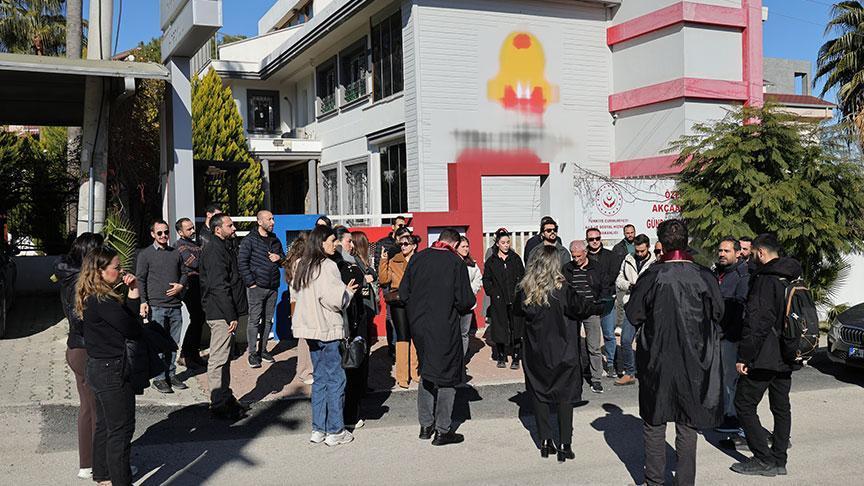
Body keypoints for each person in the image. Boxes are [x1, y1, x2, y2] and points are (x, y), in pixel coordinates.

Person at [625, 219, 724, 486]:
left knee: (655, 421)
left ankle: (654, 481)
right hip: (693, 357)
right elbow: (719, 312)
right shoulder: (703, 275)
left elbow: (633, 314)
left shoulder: (653, 275)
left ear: (661, 243)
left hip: (658, 358)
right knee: (686, 422)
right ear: (686, 241)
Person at [516, 246, 593, 462]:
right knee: (565, 396)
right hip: (564, 350)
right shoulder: (564, 289)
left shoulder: (526, 290)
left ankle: (545, 441)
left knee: (539, 393)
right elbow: (583, 308)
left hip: (536, 350)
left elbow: (517, 312)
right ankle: (565, 444)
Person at [731, 233, 799, 477]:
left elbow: (756, 322)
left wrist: (744, 357)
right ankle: (779, 460)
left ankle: (763, 458)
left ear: (761, 253)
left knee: (743, 404)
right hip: (788, 351)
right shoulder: (792, 275)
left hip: (764, 355)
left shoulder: (765, 279)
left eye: (752, 253)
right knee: (781, 407)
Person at [400, 228, 475, 446]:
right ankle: (443, 430)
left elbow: (404, 293)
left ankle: (425, 425)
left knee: (427, 371)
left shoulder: (418, 258)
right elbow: (465, 301)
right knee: (447, 376)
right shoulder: (455, 263)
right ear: (454, 244)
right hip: (444, 326)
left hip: (419, 326)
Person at [76, 246, 141, 486]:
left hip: (99, 367)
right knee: (120, 430)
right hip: (111, 369)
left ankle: (103, 474)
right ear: (100, 271)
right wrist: (135, 302)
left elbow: (127, 321)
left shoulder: (94, 296)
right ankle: (119, 480)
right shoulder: (103, 300)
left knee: (105, 424)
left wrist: (133, 290)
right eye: (116, 267)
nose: (121, 271)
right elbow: (132, 328)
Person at [291, 225, 358, 446]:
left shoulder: (301, 264)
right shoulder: (328, 266)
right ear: (321, 243)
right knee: (336, 379)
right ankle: (336, 430)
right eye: (331, 240)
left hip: (310, 329)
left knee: (319, 379)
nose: (335, 244)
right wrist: (348, 292)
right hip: (327, 328)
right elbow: (334, 300)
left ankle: (318, 429)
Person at [55, 232, 103, 480]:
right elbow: (79, 319)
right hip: (85, 349)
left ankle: (88, 463)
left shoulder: (70, 275)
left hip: (77, 347)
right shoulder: (79, 281)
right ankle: (99, 465)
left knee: (88, 407)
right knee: (96, 409)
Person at [200, 213, 249, 420]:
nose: (234, 228)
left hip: (226, 311)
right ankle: (218, 402)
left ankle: (224, 395)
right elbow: (219, 286)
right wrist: (230, 315)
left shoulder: (224, 246)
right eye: (230, 225)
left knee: (225, 357)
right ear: (218, 229)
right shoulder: (214, 249)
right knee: (219, 358)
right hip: (220, 313)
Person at [136, 219, 188, 394]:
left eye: (166, 232)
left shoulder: (175, 253)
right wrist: (143, 301)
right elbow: (140, 279)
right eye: (159, 233)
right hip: (156, 306)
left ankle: (171, 374)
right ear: (153, 234)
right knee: (158, 344)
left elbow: (185, 273)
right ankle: (159, 378)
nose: (164, 235)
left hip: (175, 306)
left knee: (173, 344)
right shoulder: (145, 255)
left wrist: (181, 286)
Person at [332, 226, 371, 430]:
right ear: (337, 242)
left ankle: (333, 420)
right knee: (348, 372)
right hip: (346, 325)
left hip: (346, 324)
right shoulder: (342, 266)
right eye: (348, 241)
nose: (352, 245)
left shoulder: (345, 263)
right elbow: (351, 293)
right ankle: (348, 416)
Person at [238, 210, 285, 369]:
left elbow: (284, 260)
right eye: (269, 219)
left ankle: (263, 350)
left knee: (268, 320)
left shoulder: (275, 240)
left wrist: (279, 258)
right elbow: (242, 263)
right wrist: (251, 283)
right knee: (254, 320)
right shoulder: (249, 240)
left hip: (273, 287)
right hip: (256, 287)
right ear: (259, 222)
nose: (273, 222)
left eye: (273, 219)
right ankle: (252, 354)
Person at [713, 237, 750, 434]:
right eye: (720, 250)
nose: (722, 254)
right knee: (720, 377)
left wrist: (729, 335)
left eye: (726, 251)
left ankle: (732, 417)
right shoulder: (718, 273)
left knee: (730, 379)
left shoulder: (742, 276)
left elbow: (741, 310)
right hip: (716, 335)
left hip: (730, 337)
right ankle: (723, 411)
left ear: (737, 253)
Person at [379, 226, 421, 388]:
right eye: (401, 244)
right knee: (402, 337)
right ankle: (402, 376)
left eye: (406, 243)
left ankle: (414, 372)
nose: (403, 246)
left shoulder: (420, 260)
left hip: (416, 301)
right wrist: (383, 261)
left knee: (415, 335)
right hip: (399, 302)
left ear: (414, 246)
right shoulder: (394, 259)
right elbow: (384, 280)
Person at [562, 240, 605, 394]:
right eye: (573, 256)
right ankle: (575, 376)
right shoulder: (567, 268)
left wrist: (598, 304)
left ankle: (596, 379)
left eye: (578, 256)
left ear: (585, 253)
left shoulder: (596, 267)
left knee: (594, 346)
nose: (576, 259)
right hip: (574, 311)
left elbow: (604, 287)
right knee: (572, 346)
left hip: (591, 310)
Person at [613, 234, 656, 386]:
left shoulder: (655, 263)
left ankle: (650, 372)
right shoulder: (628, 259)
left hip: (649, 306)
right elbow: (619, 280)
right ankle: (629, 372)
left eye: (642, 251)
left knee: (649, 342)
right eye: (637, 251)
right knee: (625, 340)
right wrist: (629, 285)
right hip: (631, 305)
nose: (639, 254)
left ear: (648, 247)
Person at [483, 228, 525, 370]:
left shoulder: (515, 259)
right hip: (499, 301)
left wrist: (519, 292)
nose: (506, 245)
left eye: (508, 242)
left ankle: (516, 357)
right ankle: (501, 356)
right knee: (500, 328)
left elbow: (523, 277)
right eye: (503, 243)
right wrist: (492, 293)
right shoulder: (491, 261)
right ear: (497, 244)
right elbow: (486, 279)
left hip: (515, 300)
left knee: (516, 328)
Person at [585, 227, 619, 378]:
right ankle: (592, 366)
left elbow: (612, 276)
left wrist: (596, 283)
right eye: (591, 239)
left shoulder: (611, 256)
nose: (594, 241)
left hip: (607, 300)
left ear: (601, 238)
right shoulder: (583, 256)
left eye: (597, 238)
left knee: (609, 334)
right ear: (587, 240)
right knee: (591, 336)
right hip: (589, 302)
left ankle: (611, 363)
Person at [175, 217, 207, 369]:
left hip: (199, 285)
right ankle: (185, 355)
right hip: (189, 286)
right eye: (189, 229)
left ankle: (193, 354)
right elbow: (194, 263)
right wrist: (202, 259)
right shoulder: (180, 246)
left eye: (193, 227)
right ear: (180, 232)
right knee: (197, 318)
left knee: (199, 319)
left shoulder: (195, 244)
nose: (193, 231)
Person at [375, 215, 407, 355]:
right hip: (389, 285)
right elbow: (378, 263)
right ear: (393, 227)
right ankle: (393, 347)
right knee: (391, 317)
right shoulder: (383, 243)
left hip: (403, 284)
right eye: (399, 225)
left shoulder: (407, 244)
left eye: (404, 225)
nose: (402, 227)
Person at [284, 233, 314, 385]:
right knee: (305, 340)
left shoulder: (294, 263)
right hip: (303, 304)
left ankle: (305, 370)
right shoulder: (302, 263)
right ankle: (305, 371)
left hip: (297, 303)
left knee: (304, 339)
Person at [456, 235, 483, 357]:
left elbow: (478, 279)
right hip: (455, 303)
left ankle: (462, 357)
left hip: (468, 302)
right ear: (456, 247)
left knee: (464, 332)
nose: (466, 249)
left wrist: (469, 290)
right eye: (463, 246)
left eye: (467, 246)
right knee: (454, 332)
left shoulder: (472, 263)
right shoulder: (453, 261)